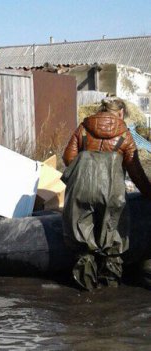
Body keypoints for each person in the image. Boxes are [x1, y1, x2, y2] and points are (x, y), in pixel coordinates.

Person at [62, 97, 151, 290]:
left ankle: (85, 291)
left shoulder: (83, 128)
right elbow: (135, 171)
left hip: (81, 191)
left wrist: (86, 173)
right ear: (120, 113)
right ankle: (109, 293)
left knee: (83, 241)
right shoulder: (125, 136)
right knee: (112, 241)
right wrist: (148, 192)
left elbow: (68, 158)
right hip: (112, 193)